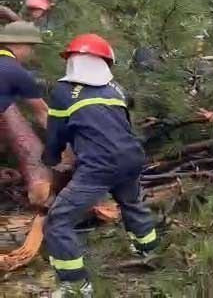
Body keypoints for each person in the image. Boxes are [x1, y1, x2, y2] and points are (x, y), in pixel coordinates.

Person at [43, 34, 158, 297]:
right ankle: (149, 252)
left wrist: (50, 160)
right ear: (106, 62)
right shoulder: (117, 89)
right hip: (131, 158)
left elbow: (56, 134)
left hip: (99, 166)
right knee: (132, 204)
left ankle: (75, 284)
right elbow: (121, 126)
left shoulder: (62, 92)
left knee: (58, 221)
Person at [0, 21, 49, 130]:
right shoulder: (16, 72)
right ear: (20, 44)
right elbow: (42, 113)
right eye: (31, 47)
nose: (32, 53)